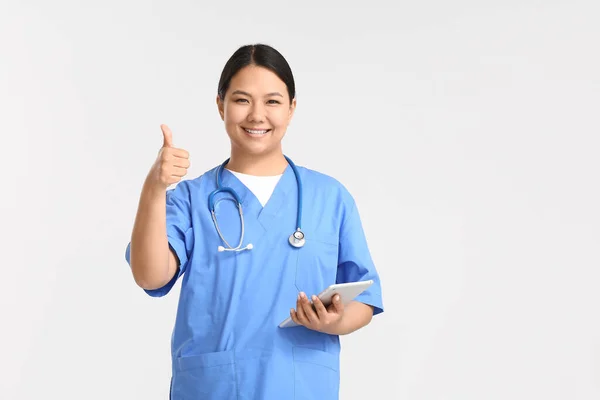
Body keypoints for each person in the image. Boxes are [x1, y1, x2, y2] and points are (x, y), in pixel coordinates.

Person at [125, 43, 384, 399]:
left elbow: (365, 297)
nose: (257, 115)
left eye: (273, 101)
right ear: (221, 105)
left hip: (301, 386)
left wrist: (335, 321)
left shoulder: (330, 197)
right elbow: (150, 275)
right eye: (242, 100)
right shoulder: (191, 199)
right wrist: (155, 188)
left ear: (292, 109)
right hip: (214, 388)